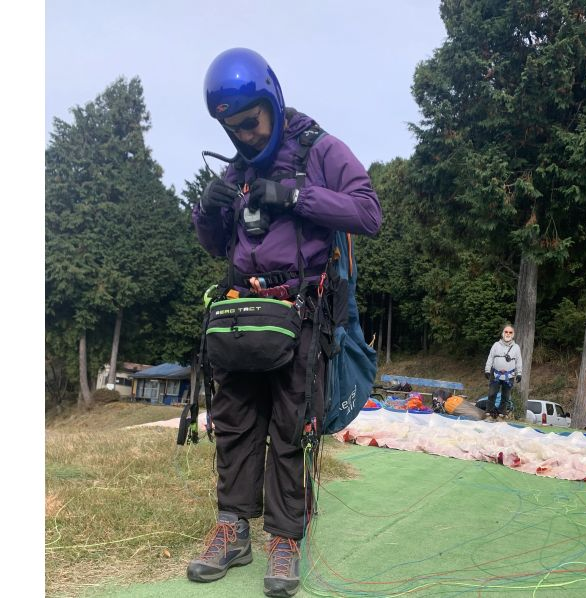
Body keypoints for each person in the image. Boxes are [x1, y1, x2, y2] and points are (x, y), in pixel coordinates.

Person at [187, 48, 381, 598]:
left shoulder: (319, 148)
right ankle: (232, 529)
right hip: (242, 315)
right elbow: (216, 245)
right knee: (234, 424)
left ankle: (285, 538)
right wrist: (208, 209)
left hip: (301, 315)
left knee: (291, 427)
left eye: (251, 121)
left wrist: (295, 195)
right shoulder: (236, 169)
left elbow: (369, 212)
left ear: (271, 100)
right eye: (233, 128)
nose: (245, 136)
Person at [483, 324, 523, 419]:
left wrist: (519, 373)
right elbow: (490, 357)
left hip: (509, 375)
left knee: (505, 396)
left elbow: (519, 361)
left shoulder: (516, 347)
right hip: (495, 373)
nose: (508, 334)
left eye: (510, 332)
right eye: (506, 332)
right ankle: (489, 412)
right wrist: (487, 370)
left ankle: (501, 414)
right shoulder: (496, 345)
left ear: (513, 334)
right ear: (502, 333)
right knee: (492, 394)